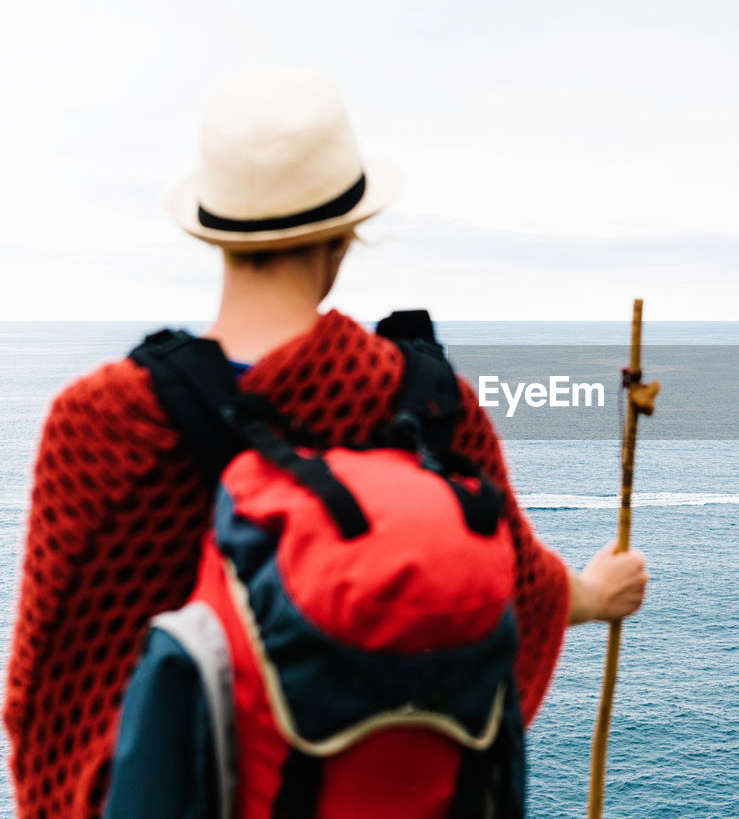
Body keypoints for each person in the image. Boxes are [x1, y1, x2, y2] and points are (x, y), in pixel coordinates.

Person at [3, 69, 649, 818]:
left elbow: (53, 696)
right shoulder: (430, 405)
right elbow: (514, 583)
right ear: (346, 236)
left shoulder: (104, 421)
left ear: (214, 233)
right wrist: (596, 595)